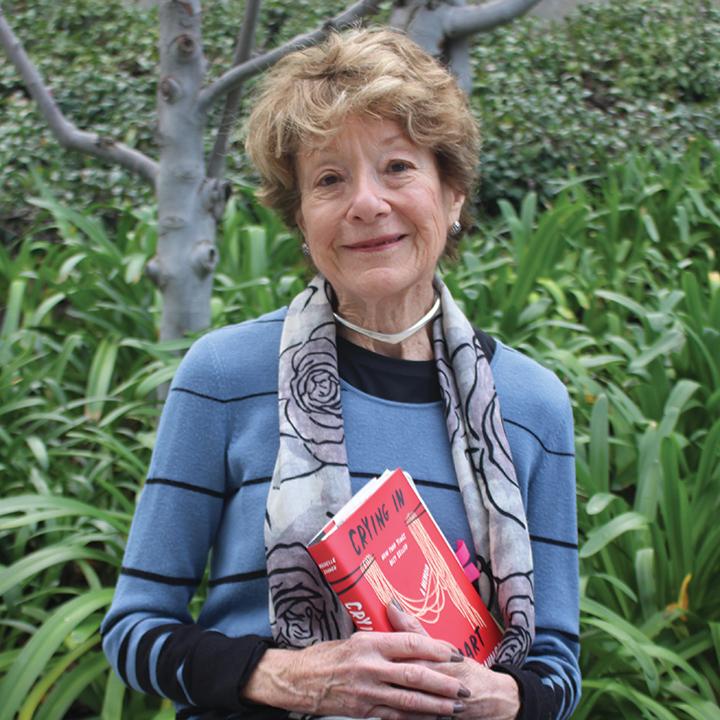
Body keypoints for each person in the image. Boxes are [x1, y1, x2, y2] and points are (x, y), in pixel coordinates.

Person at [102, 28, 580, 720]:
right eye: (329, 179)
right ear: (301, 218)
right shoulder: (225, 376)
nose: (365, 203)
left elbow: (557, 671)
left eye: (397, 167)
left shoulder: (532, 405)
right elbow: (133, 631)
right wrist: (285, 676)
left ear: (451, 195)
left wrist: (498, 697)